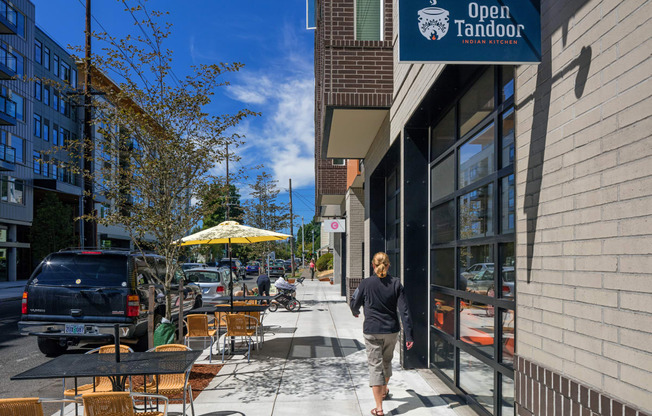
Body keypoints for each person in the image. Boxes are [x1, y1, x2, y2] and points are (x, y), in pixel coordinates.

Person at [350, 252, 414, 416]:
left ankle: (379, 409)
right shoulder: (396, 283)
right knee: (386, 362)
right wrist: (409, 334)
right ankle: (384, 391)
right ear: (388, 265)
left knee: (375, 367)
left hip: (372, 331)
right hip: (391, 331)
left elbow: (354, 301)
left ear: (373, 265)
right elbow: (404, 311)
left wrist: (355, 311)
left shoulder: (365, 283)